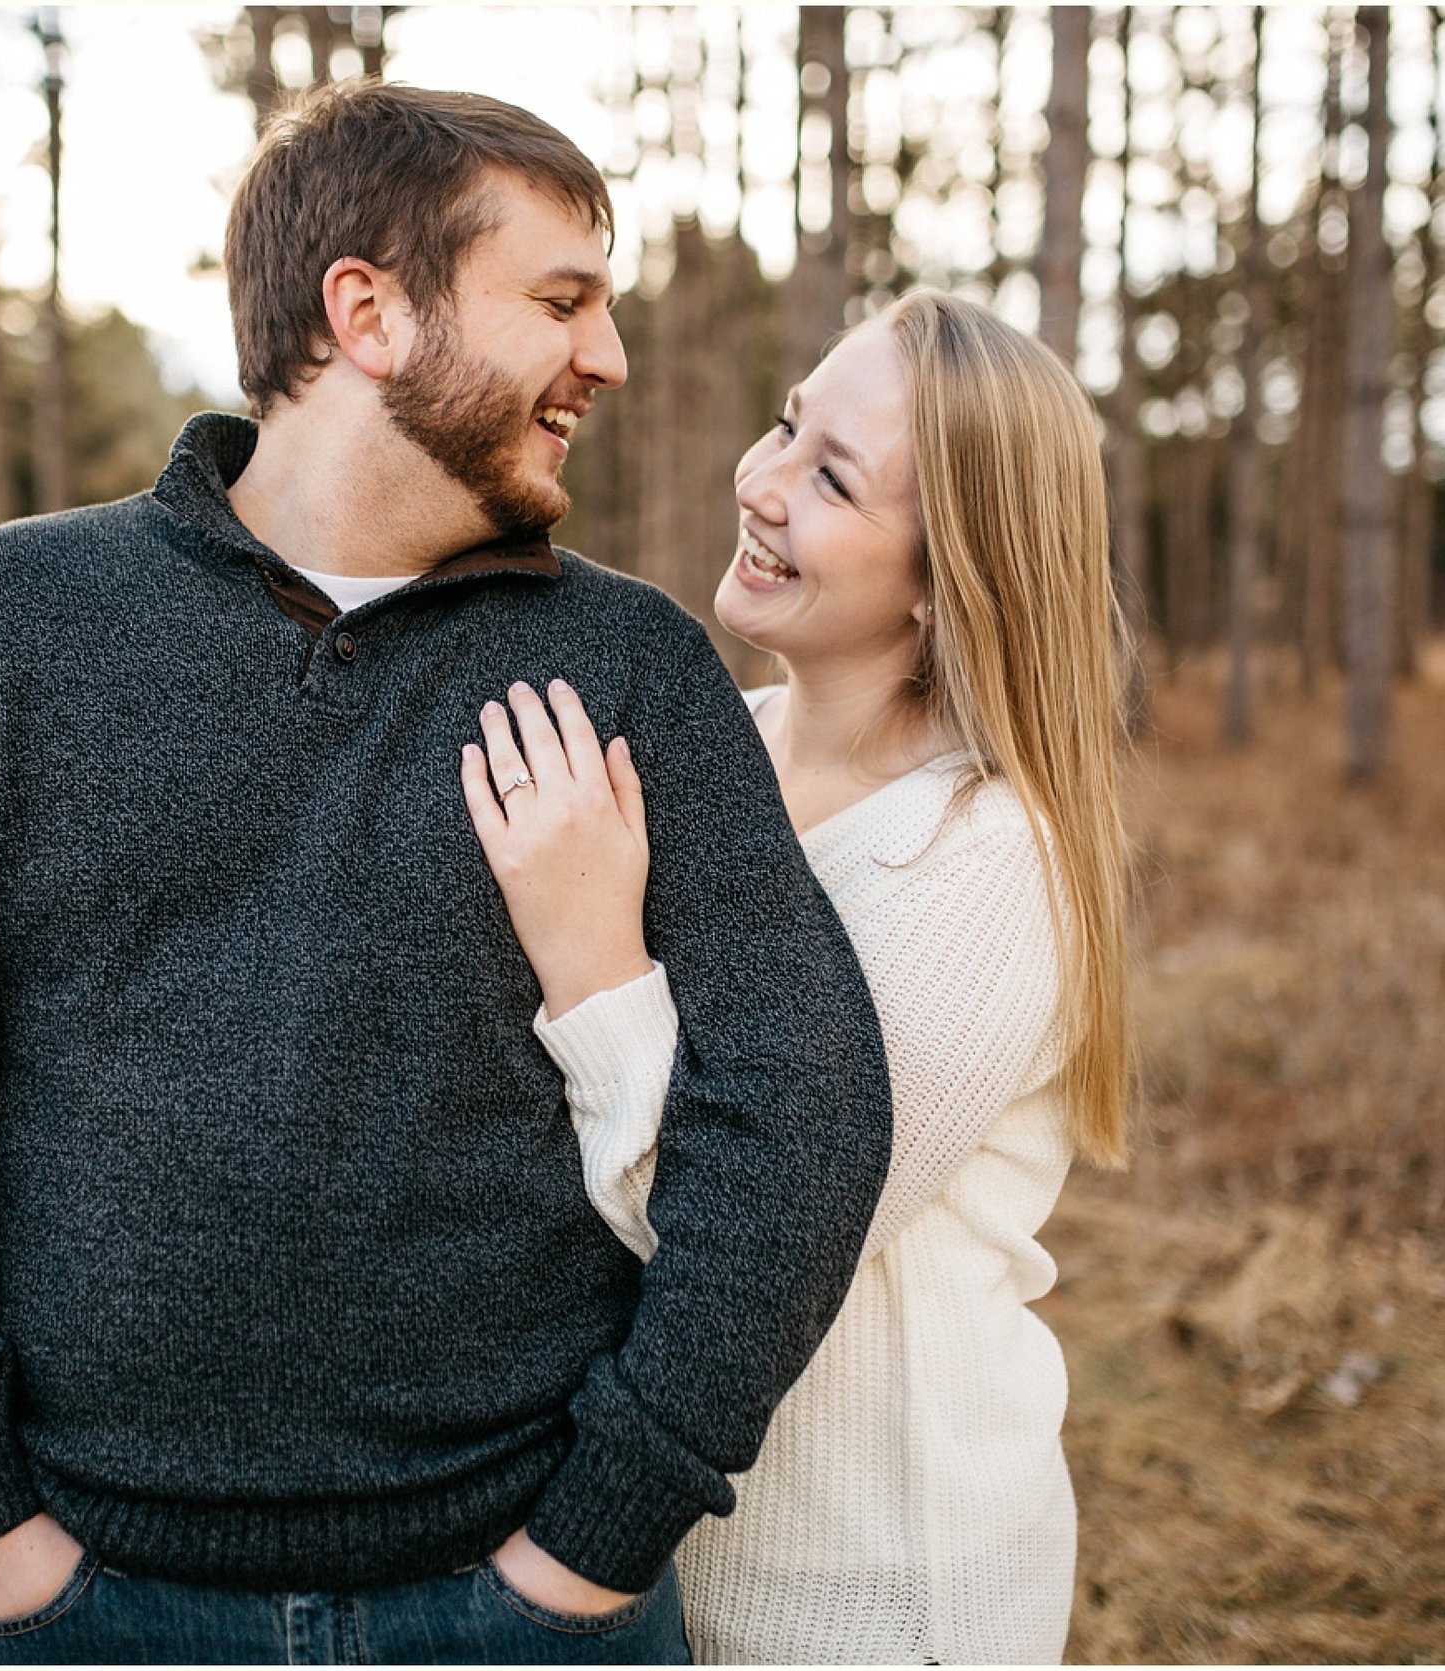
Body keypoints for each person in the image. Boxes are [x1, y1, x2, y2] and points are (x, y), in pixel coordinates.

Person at [0, 82, 895, 1666]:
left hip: (524, 1606)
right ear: (368, 311)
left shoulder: (632, 659)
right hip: (92, 1603)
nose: (612, 358)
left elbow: (804, 1107)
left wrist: (601, 1537)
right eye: (562, 301)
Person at [460, 290, 1131, 1665]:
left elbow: (744, 1242)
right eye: (785, 427)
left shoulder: (989, 860)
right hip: (642, 1562)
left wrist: (589, 952)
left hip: (871, 1597)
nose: (757, 483)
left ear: (950, 577)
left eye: (831, 478)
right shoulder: (723, 747)